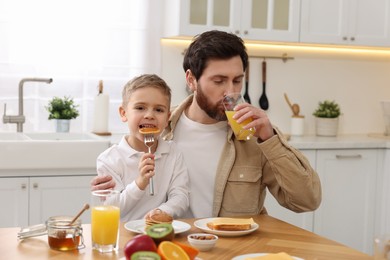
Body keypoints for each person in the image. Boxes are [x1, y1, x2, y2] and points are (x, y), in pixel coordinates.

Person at [91, 30, 321, 218]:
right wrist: (113, 189)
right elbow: (121, 186)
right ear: (191, 80)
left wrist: (270, 140)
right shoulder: (159, 129)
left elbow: (307, 201)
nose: (230, 92)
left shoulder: (256, 137)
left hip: (231, 251)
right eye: (219, 81)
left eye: (237, 81)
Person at [95, 74, 189, 221]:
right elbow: (112, 209)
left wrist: (163, 211)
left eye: (159, 110)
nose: (150, 115)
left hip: (160, 232)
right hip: (125, 237)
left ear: (167, 118)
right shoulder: (108, 160)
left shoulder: (173, 152)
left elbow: (180, 196)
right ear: (123, 113)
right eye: (140, 107)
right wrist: (139, 183)